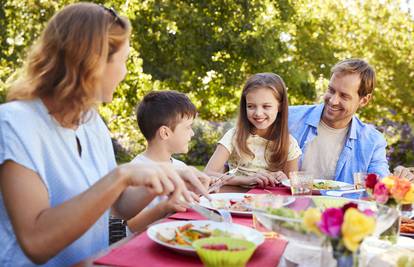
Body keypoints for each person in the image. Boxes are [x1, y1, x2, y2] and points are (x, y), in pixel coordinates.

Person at [0, 3, 209, 266]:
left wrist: (165, 177)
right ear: (92, 62)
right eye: (122, 61)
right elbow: (36, 242)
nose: (124, 73)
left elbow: (118, 207)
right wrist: (121, 176)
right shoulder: (14, 123)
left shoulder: (91, 122)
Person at [288, 58, 413, 184]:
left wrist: (398, 177)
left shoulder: (372, 142)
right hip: (289, 202)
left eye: (344, 96)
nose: (333, 101)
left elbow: (380, 183)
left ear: (364, 100)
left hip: (342, 204)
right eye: (331, 90)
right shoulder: (289, 118)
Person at [126, 90, 208, 233]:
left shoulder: (180, 167)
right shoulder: (136, 171)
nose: (192, 133)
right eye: (188, 127)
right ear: (165, 133)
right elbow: (132, 225)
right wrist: (165, 207)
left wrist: (198, 194)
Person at [205, 73, 302, 188]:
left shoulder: (289, 144)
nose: (258, 113)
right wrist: (246, 180)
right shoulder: (234, 136)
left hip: (269, 203)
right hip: (234, 201)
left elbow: (293, 188)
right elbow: (207, 174)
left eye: (266, 106)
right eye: (251, 106)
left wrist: (285, 180)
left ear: (280, 106)